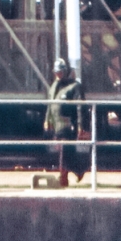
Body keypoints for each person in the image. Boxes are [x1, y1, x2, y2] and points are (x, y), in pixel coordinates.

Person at [44, 57, 88, 186]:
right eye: (56, 72)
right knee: (63, 151)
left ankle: (63, 178)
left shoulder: (75, 86)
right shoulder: (54, 86)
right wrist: (47, 120)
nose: (58, 74)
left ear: (66, 71)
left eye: (60, 72)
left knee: (64, 150)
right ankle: (79, 169)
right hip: (56, 124)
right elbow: (50, 104)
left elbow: (80, 107)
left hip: (68, 124)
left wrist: (81, 125)